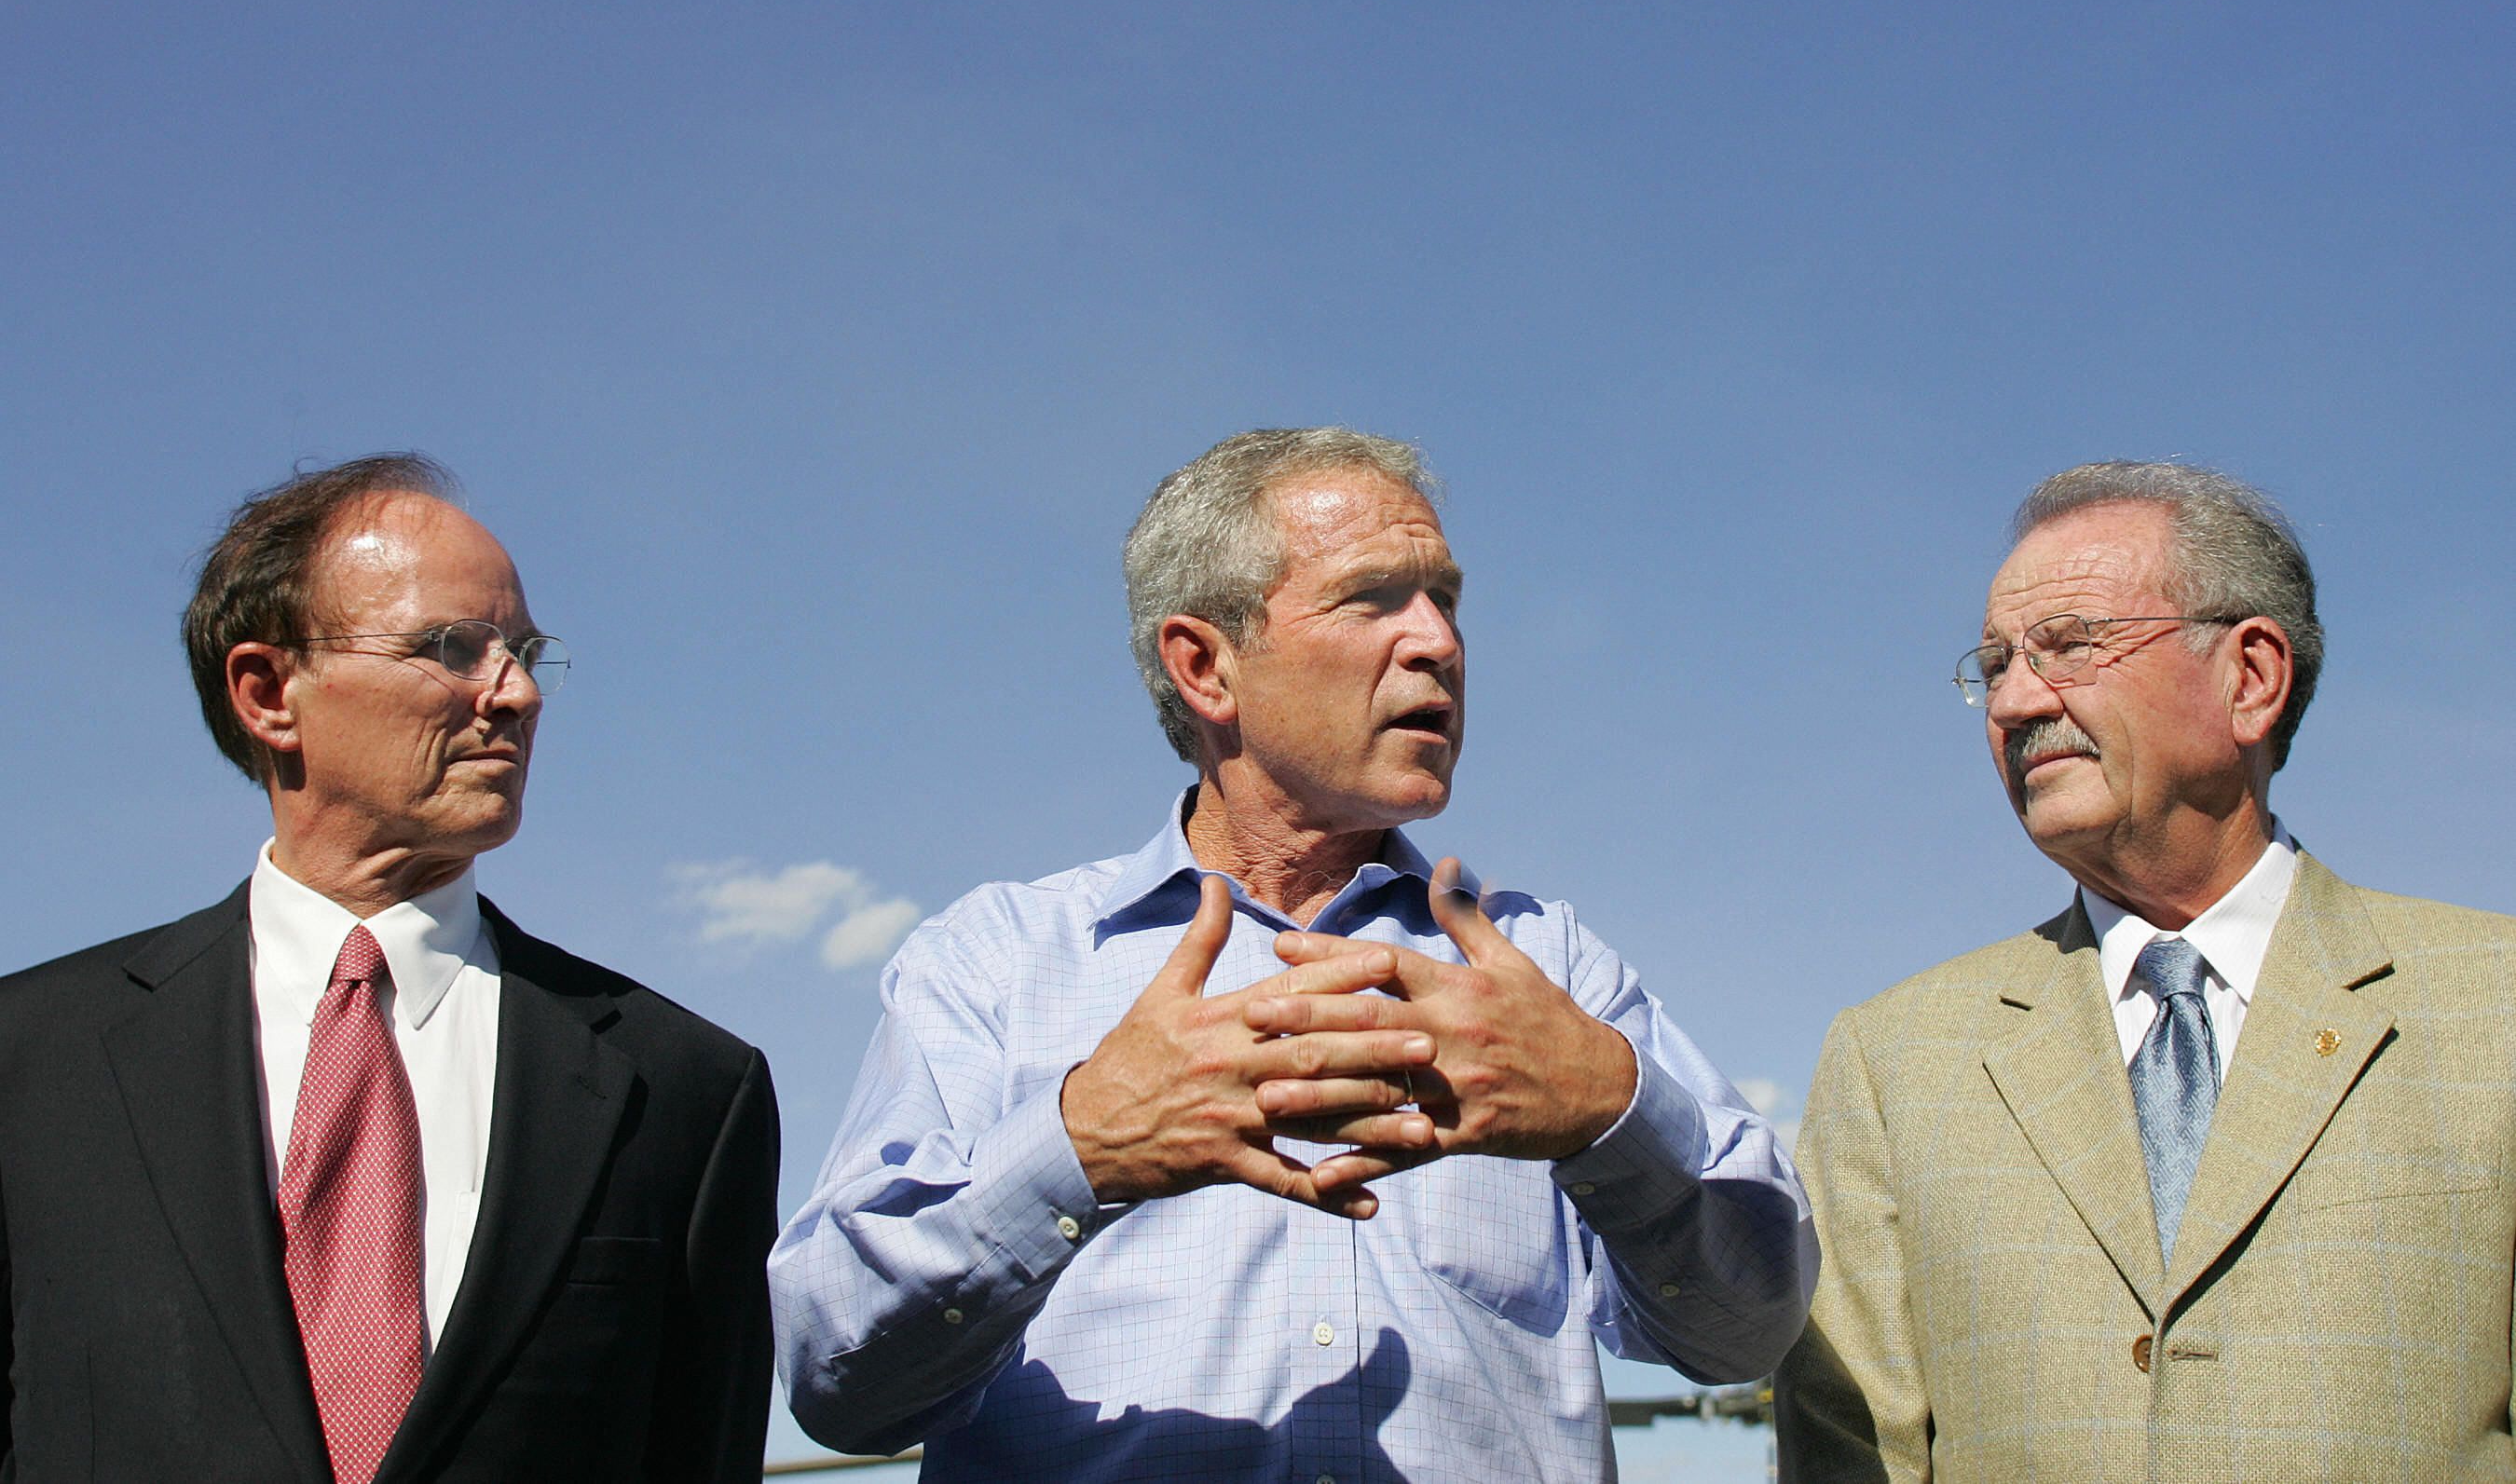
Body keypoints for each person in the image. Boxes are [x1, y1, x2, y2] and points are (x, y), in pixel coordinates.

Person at [772, 427, 1812, 1481]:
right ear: (1205, 665)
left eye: (1445, 597)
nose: (1438, 640)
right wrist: (1077, 1148)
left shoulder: (1545, 968)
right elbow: (838, 1379)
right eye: (1373, 598)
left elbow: (1741, 1337)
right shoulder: (992, 961)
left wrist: (1609, 1108)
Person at [0, 455, 779, 1483]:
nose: (518, 694)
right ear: (269, 692)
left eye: (528, 651)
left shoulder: (686, 1089)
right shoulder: (31, 1060)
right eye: (452, 648)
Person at [1777, 460, 2516, 1482]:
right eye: (1994, 666)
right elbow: (1851, 1454)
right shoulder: (1893, 1059)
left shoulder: (2496, 1000)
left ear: (2250, 676)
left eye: (2071, 645)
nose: (2017, 700)